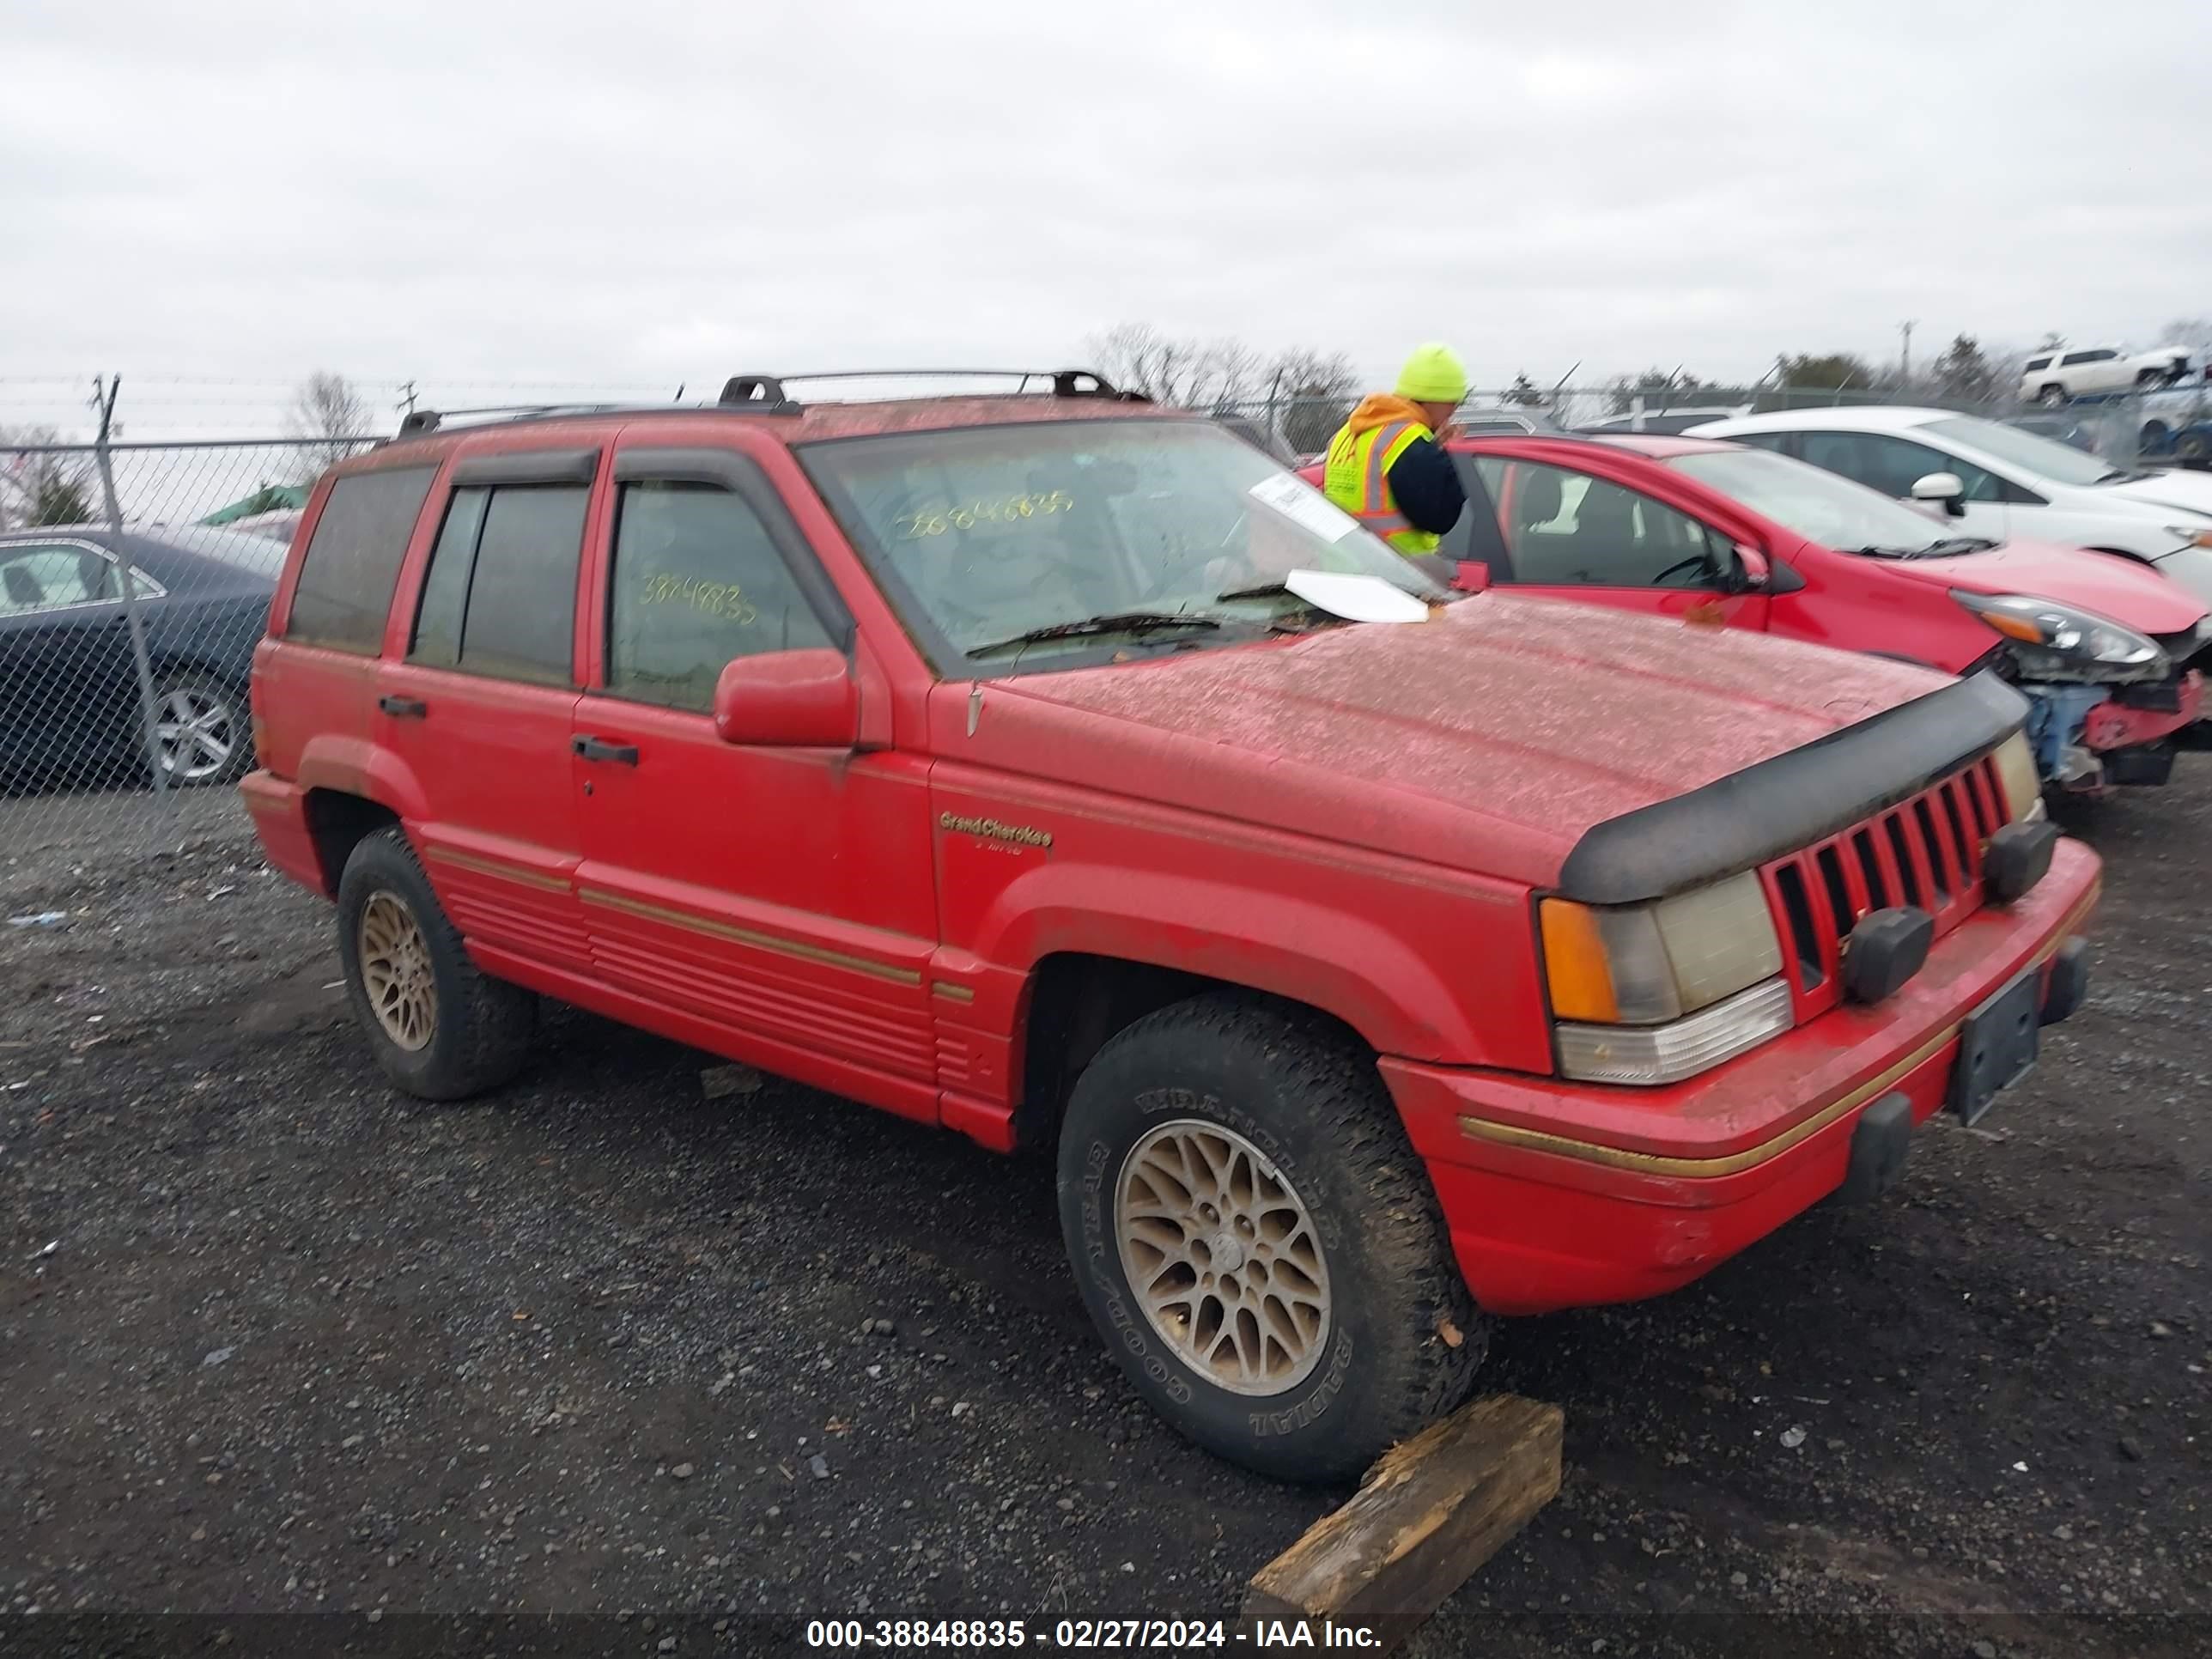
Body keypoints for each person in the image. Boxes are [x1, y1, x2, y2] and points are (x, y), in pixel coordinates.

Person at [1321, 343, 1470, 556]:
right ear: (1433, 399)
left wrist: (1434, 449)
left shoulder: (1349, 432)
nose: (1454, 412)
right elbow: (1440, 517)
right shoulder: (1408, 441)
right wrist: (1454, 453)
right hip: (1394, 574)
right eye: (1452, 403)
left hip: (1341, 566)